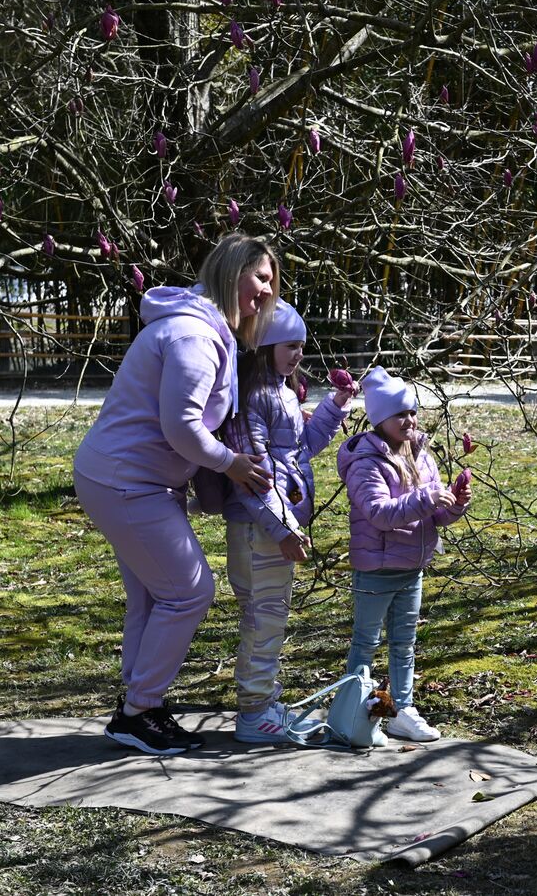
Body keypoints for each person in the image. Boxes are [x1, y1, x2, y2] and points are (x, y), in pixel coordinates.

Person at [73, 233, 278, 755]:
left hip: (128, 479)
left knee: (151, 593)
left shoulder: (204, 330)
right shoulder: (194, 336)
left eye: (271, 281)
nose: (267, 289)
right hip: (126, 482)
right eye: (260, 276)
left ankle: (139, 704)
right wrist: (231, 464)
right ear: (233, 272)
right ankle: (139, 710)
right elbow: (181, 425)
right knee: (188, 591)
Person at [221, 302, 356, 743]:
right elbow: (254, 476)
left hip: (275, 528)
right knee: (264, 619)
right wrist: (284, 528)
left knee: (269, 617)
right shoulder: (252, 397)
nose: (298, 354)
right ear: (263, 346)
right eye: (289, 346)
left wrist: (334, 407)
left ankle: (263, 701)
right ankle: (254, 713)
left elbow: (299, 450)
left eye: (301, 346)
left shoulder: (279, 390)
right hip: (261, 529)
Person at [336, 366, 472, 742]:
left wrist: (454, 504)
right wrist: (426, 498)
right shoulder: (366, 463)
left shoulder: (421, 455)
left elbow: (435, 514)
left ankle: (404, 710)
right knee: (365, 641)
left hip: (413, 566)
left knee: (404, 642)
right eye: (400, 414)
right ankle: (352, 710)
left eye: (412, 411)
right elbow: (379, 514)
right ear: (380, 418)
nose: (409, 420)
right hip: (377, 568)